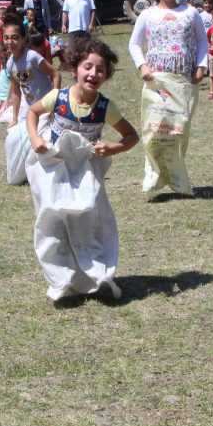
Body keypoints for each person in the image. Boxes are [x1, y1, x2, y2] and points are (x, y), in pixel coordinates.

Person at [24, 38, 139, 303]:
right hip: (53, 168)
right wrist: (35, 139)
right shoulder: (58, 97)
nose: (93, 74)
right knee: (53, 217)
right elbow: (32, 113)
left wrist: (112, 147)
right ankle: (60, 279)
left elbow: (131, 136)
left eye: (100, 70)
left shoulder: (105, 107)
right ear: (74, 68)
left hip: (84, 172)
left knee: (88, 218)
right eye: (88, 66)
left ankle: (92, 272)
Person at [128, 0, 208, 196]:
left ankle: (177, 179)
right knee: (155, 129)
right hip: (156, 82)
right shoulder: (147, 15)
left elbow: (202, 41)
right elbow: (134, 44)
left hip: (183, 81)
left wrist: (201, 66)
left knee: (178, 130)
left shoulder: (191, 13)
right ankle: (154, 177)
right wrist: (142, 65)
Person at [4, 16, 60, 185]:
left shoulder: (33, 57)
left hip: (45, 108)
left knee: (40, 142)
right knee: (14, 139)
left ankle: (45, 173)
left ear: (23, 39)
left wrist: (54, 101)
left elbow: (55, 74)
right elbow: (16, 92)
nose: (10, 42)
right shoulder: (9, 64)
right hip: (29, 111)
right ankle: (24, 173)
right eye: (6, 38)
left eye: (15, 37)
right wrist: (14, 118)